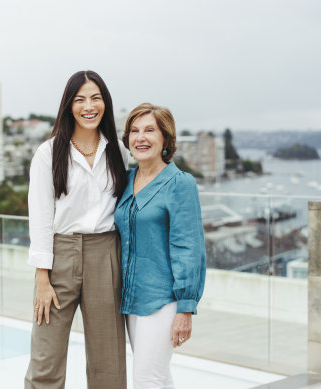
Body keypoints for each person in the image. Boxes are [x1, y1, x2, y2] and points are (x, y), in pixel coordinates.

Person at [24, 70, 129, 389]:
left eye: (96, 98)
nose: (89, 106)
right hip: (60, 257)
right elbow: (40, 217)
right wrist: (42, 278)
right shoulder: (49, 153)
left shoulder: (118, 152)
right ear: (69, 105)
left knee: (108, 361)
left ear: (105, 104)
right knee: (46, 358)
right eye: (80, 99)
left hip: (106, 254)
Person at [115, 103, 206, 388]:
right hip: (131, 300)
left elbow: (189, 247)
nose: (140, 137)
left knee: (146, 379)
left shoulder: (180, 183)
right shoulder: (126, 180)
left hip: (163, 300)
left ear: (165, 138)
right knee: (159, 378)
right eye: (134, 131)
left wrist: (185, 308)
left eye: (149, 130)